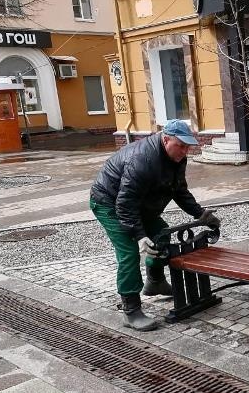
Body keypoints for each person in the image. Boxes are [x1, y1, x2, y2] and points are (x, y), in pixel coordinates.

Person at [90, 120, 220, 331]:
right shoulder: (142, 160)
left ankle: (156, 281)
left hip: (138, 205)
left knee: (161, 233)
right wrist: (140, 236)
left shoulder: (177, 157)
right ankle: (130, 311)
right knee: (129, 253)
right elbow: (124, 204)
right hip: (109, 204)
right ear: (166, 139)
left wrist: (201, 214)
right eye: (181, 146)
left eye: (188, 147)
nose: (185, 151)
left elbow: (179, 190)